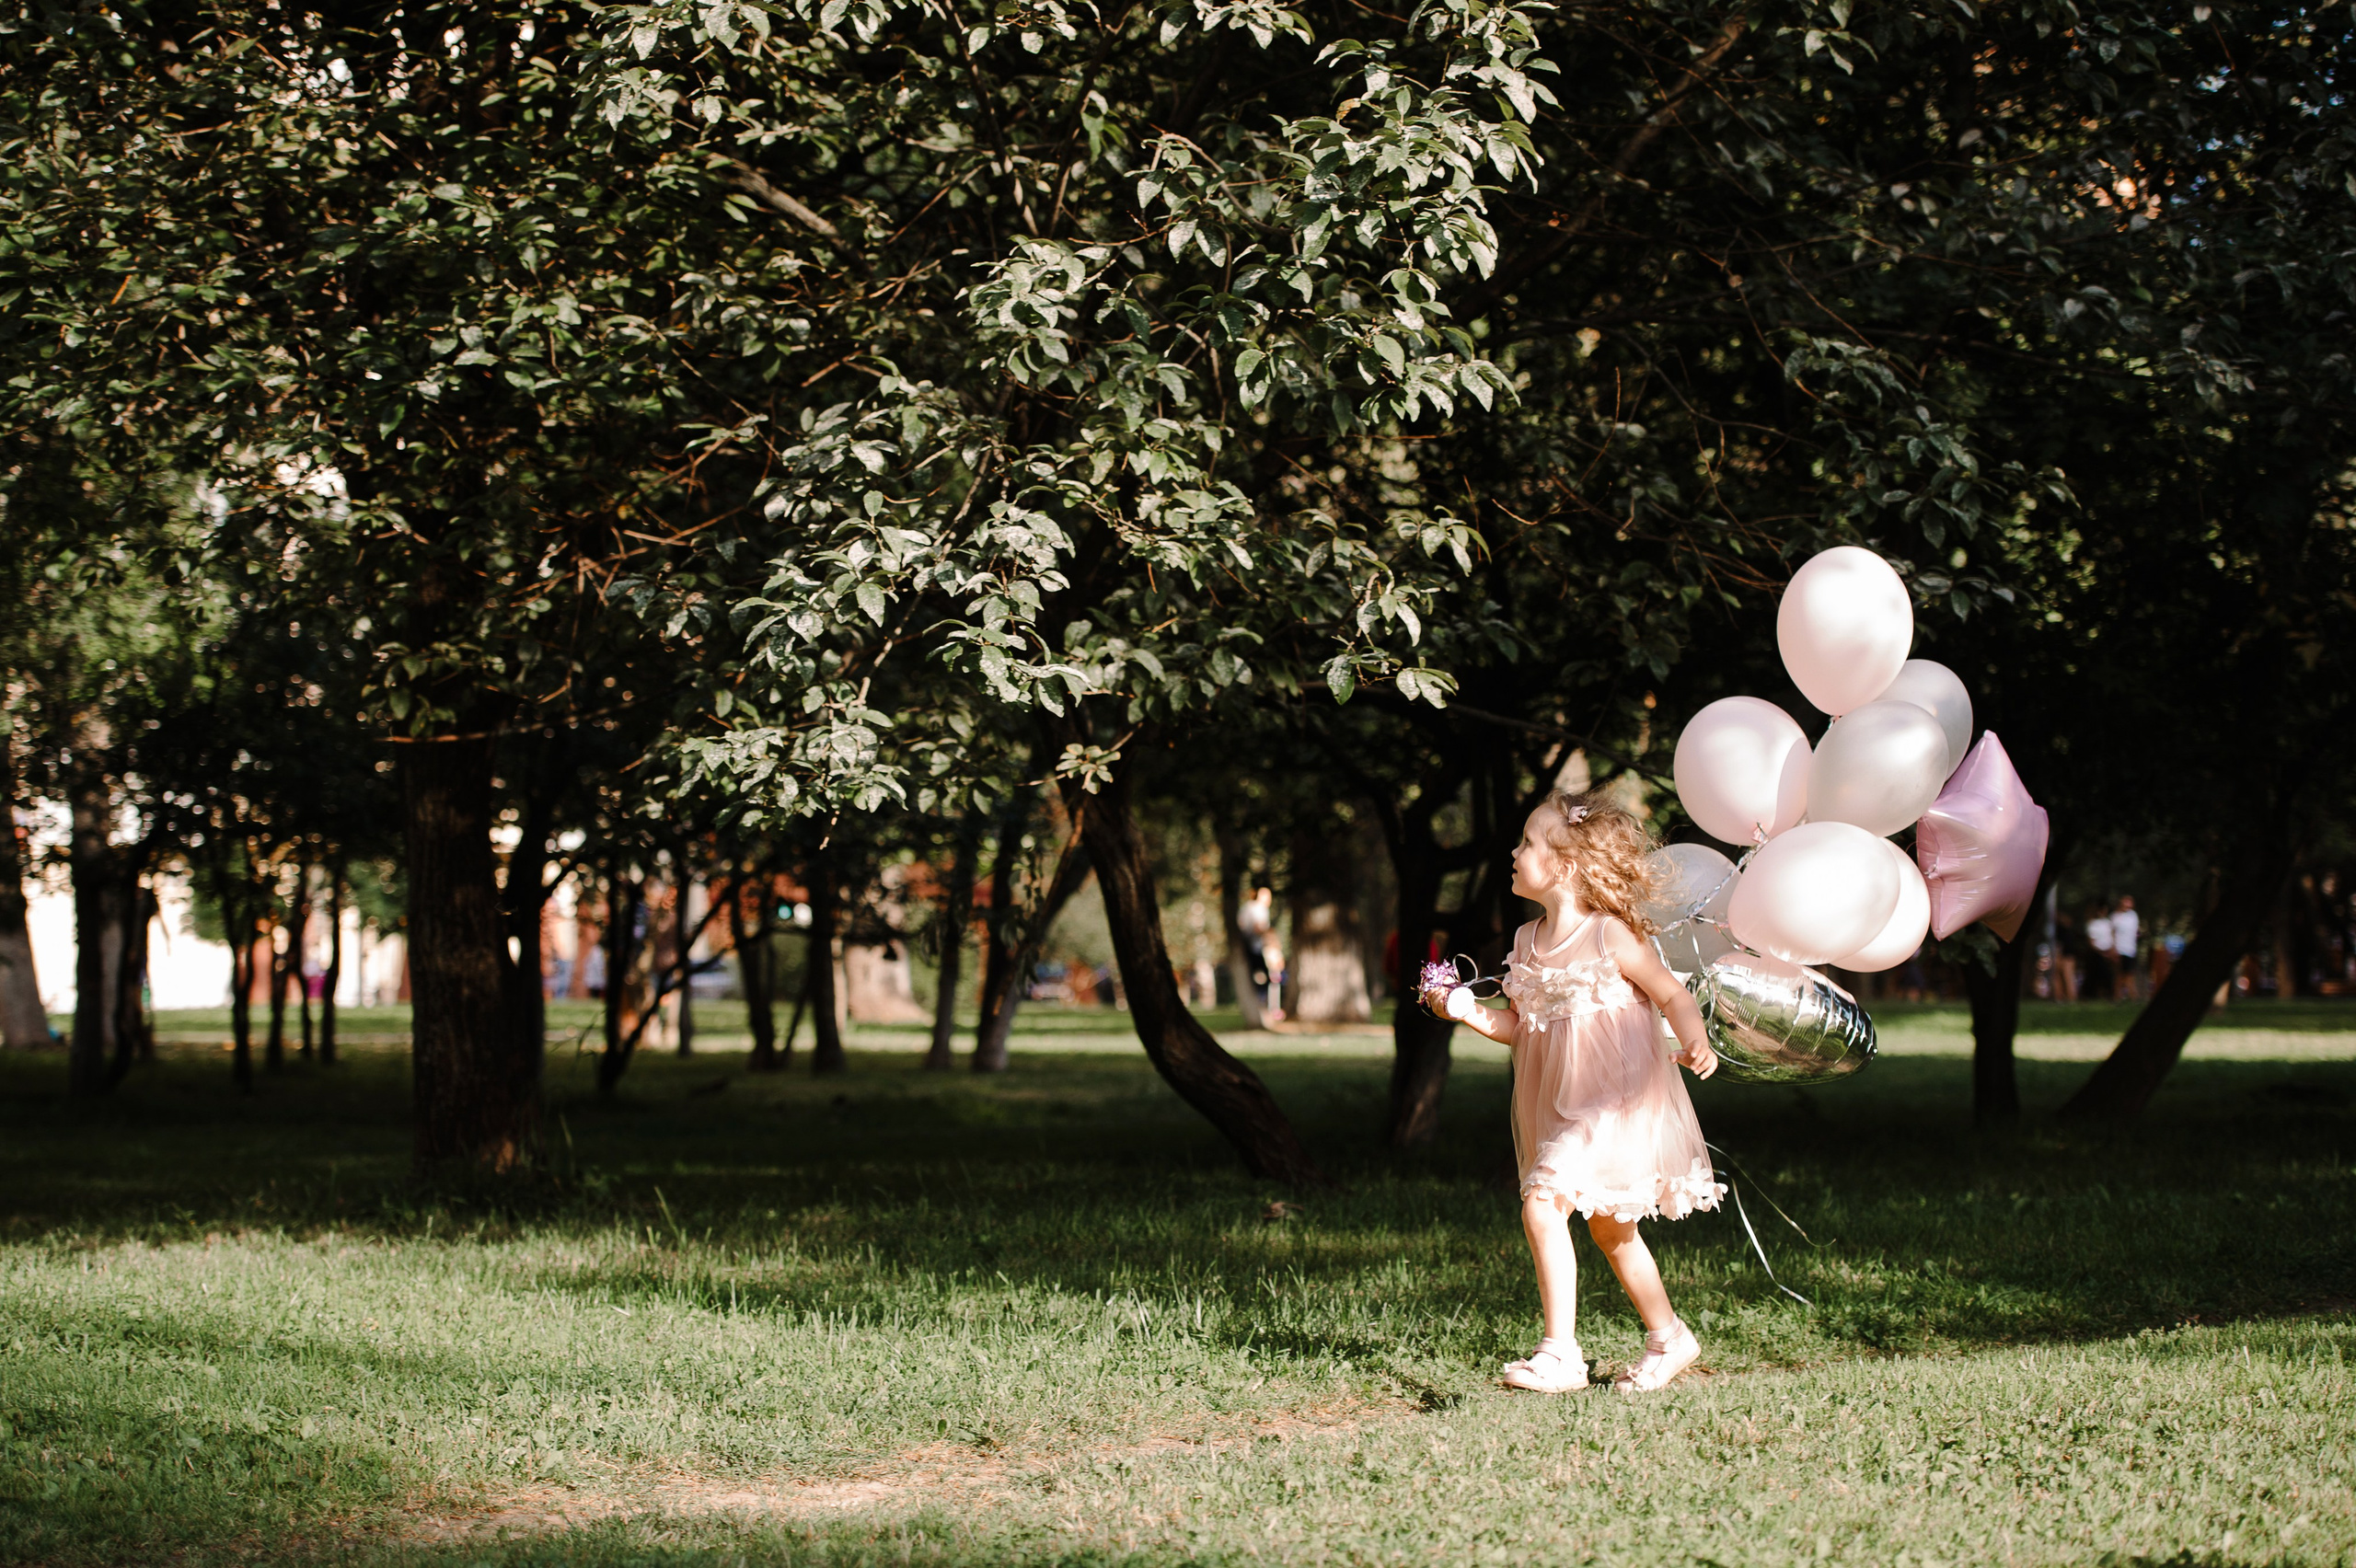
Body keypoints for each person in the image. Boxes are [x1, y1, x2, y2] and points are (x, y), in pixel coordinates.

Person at [1422, 790, 1723, 1394]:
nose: (1514, 850)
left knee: (1542, 1204)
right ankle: (1670, 1337)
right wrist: (1464, 1009)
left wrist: (1695, 1041)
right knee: (1613, 1231)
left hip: (1614, 1102)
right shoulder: (1527, 941)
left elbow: (1671, 994)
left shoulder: (1610, 936)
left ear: (1561, 866)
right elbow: (1521, 1028)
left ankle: (1560, 1354)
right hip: (1561, 1105)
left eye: (1528, 842)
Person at [2109, 895, 2141, 1001]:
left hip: (2130, 949)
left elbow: (2136, 932)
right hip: (2119, 949)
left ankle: (2127, 996)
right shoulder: (2115, 917)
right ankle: (2127, 996)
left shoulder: (2133, 916)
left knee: (2128, 974)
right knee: (2120, 974)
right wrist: (2113, 948)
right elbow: (2112, 933)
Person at [2085, 904, 2116, 1002]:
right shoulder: (2092, 924)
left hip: (2108, 952)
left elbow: (2112, 937)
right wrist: (2101, 952)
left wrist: (2111, 950)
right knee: (2098, 974)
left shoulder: (2108, 923)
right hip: (2097, 954)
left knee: (2108, 975)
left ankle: (2109, 994)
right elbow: (2092, 941)